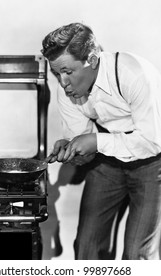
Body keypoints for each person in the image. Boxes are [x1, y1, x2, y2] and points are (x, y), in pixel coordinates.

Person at [41, 22, 161, 260]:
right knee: (87, 248)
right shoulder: (68, 91)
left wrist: (95, 142)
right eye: (57, 73)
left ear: (93, 60)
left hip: (153, 163)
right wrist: (73, 150)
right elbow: (87, 150)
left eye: (68, 71)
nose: (63, 84)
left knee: (138, 255)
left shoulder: (134, 74)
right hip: (106, 164)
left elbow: (152, 142)